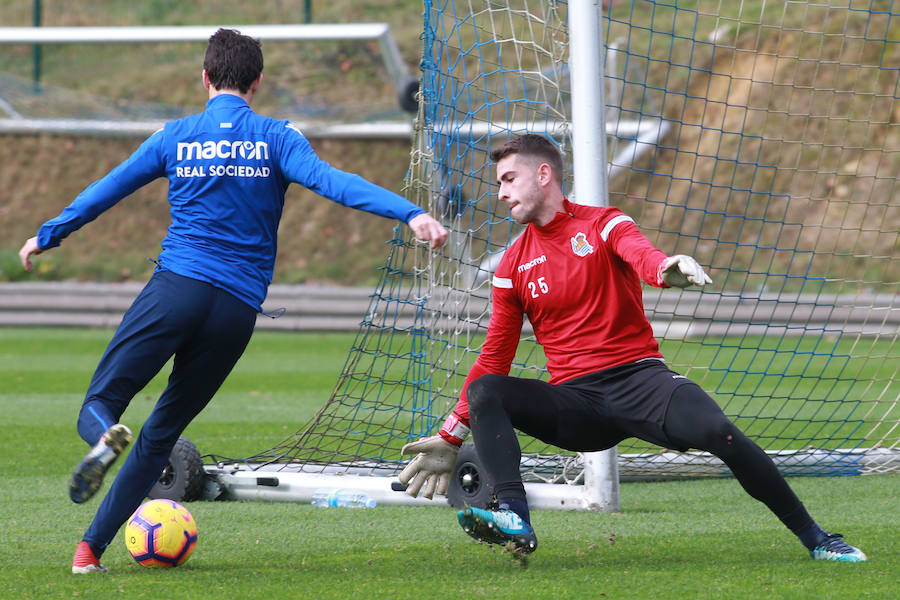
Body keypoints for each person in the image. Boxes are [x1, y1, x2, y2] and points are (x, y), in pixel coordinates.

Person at [19, 28, 448, 575]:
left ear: (204, 77)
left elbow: (109, 188)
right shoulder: (277, 137)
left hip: (176, 289)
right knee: (162, 433)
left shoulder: (177, 136)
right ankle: (88, 552)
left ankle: (104, 434)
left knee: (103, 400)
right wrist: (410, 212)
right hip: (235, 311)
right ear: (257, 82)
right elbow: (333, 181)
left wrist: (49, 233)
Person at [398, 133, 866, 562]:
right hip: (577, 405)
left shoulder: (603, 224)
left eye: (508, 179)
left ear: (544, 175)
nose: (500, 192)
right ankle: (514, 516)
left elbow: (643, 255)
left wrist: (665, 269)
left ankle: (818, 538)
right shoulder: (512, 264)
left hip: (641, 381)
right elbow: (495, 353)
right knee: (488, 390)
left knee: (720, 433)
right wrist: (452, 433)